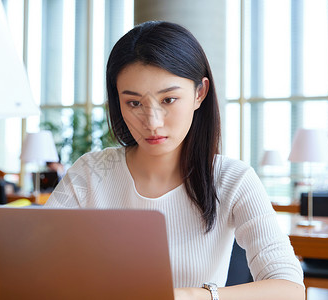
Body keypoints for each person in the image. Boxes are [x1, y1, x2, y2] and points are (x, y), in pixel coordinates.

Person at [44, 21, 304, 300]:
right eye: (134, 103)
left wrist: (189, 296)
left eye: (168, 100)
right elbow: (33, 261)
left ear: (199, 93)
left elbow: (289, 289)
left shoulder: (233, 179)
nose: (152, 122)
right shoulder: (91, 172)